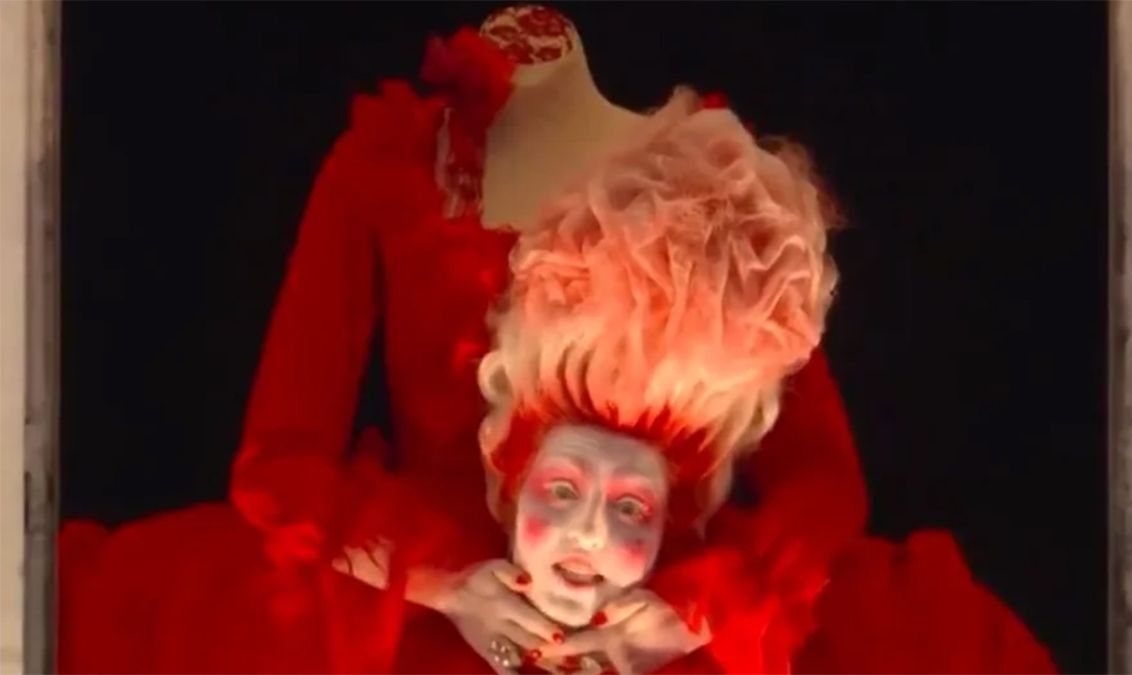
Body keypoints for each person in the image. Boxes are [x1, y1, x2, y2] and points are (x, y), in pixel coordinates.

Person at [58, 15, 1057, 674]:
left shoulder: (703, 181)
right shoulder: (383, 167)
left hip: (651, 605)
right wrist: (447, 585)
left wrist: (695, 612)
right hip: (423, 608)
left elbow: (823, 481)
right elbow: (279, 466)